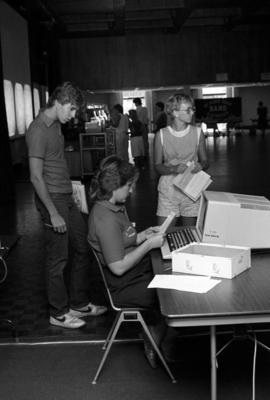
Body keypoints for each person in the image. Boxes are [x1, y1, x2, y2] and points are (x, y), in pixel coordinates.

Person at [25, 82, 107, 329]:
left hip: (66, 195)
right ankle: (58, 312)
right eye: (71, 110)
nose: (73, 116)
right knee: (57, 259)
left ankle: (79, 303)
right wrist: (52, 212)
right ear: (58, 102)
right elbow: (35, 177)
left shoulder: (56, 125)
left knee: (82, 247)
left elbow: (56, 162)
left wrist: (72, 189)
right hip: (53, 200)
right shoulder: (38, 130)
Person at [88, 155, 172, 367]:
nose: (132, 190)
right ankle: (155, 335)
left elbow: (123, 238)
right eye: (129, 186)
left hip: (132, 275)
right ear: (115, 186)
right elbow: (118, 267)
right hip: (122, 285)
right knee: (172, 294)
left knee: (170, 270)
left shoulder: (113, 205)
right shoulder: (104, 218)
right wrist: (147, 245)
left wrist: (142, 235)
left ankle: (157, 333)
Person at [154, 93, 209, 227]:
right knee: (163, 234)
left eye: (192, 109)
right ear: (175, 112)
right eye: (188, 109)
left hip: (191, 187)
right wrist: (173, 168)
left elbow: (206, 161)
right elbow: (157, 166)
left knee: (190, 234)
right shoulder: (161, 135)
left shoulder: (198, 132)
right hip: (168, 189)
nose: (192, 112)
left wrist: (201, 166)